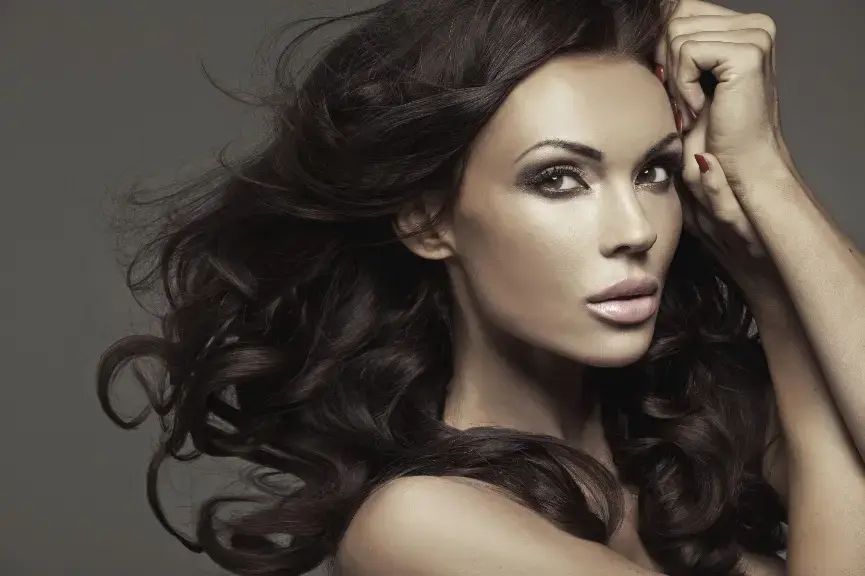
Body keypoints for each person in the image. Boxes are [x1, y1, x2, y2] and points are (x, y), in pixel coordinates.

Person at [97, 0, 865, 574]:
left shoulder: (702, 425)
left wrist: (767, 182)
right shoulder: (419, 524)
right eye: (558, 178)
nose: (633, 228)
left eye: (653, 172)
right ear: (428, 220)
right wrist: (784, 318)